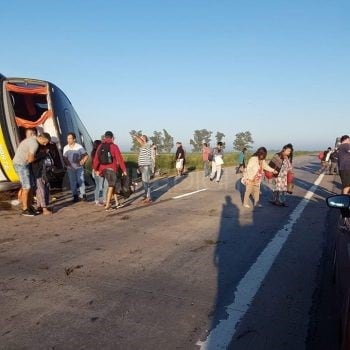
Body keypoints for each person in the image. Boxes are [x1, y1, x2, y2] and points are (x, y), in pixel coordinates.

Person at [12, 132, 51, 216]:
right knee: (27, 187)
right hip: (21, 165)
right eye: (45, 142)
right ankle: (25, 209)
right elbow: (30, 159)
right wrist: (41, 155)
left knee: (31, 185)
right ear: (41, 138)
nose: (45, 144)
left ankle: (29, 207)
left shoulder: (33, 140)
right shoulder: (34, 144)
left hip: (22, 164)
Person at [93, 131, 127, 210]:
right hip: (112, 169)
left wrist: (96, 169)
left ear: (105, 137)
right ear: (112, 137)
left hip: (103, 170)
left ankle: (117, 202)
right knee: (111, 186)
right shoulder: (114, 146)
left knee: (112, 185)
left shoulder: (100, 146)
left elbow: (96, 159)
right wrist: (124, 170)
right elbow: (120, 159)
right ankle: (107, 205)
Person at [63, 132, 89, 203]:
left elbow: (86, 155)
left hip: (79, 168)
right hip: (70, 168)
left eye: (70, 138)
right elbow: (64, 158)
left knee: (81, 180)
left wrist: (83, 161)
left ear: (74, 139)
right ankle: (75, 196)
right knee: (72, 182)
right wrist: (69, 165)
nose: (68, 140)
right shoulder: (65, 148)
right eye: (67, 138)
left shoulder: (79, 146)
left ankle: (83, 195)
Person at [30, 144, 54, 215]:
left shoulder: (47, 154)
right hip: (38, 175)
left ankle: (40, 207)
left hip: (45, 175)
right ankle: (44, 208)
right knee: (41, 192)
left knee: (45, 191)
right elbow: (33, 160)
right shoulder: (39, 154)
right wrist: (43, 153)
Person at [133, 134, 153, 203]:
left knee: (146, 182)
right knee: (144, 182)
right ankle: (146, 195)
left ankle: (148, 197)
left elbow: (141, 141)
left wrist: (136, 136)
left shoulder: (146, 145)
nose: (139, 140)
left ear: (144, 139)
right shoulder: (143, 146)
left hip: (146, 166)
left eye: (141, 139)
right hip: (142, 166)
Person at [91, 140, 105, 206]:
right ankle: (98, 201)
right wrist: (97, 170)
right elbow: (96, 163)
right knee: (99, 187)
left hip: (94, 171)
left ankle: (97, 200)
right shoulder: (97, 153)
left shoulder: (93, 152)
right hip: (97, 171)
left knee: (97, 186)